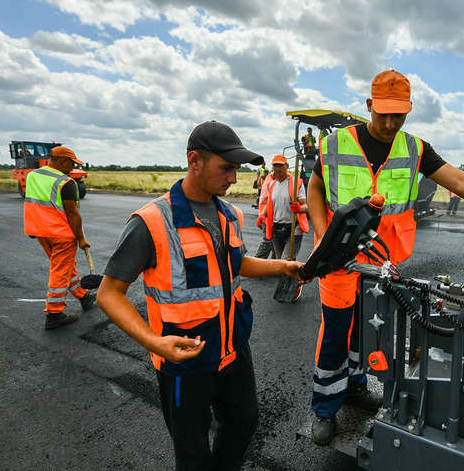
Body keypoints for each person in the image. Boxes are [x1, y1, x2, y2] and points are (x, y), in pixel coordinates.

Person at [305, 70, 464, 445]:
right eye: (383, 114)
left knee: (368, 330)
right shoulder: (335, 144)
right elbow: (316, 185)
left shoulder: (415, 149)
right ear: (369, 105)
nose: (390, 123)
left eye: (398, 115)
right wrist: (323, 236)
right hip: (340, 261)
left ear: (409, 110)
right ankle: (325, 408)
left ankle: (354, 385)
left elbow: (461, 182)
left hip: (382, 264)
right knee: (336, 334)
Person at [96, 121, 306, 471]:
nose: (234, 179)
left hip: (232, 349)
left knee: (243, 423)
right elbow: (109, 294)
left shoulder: (229, 214)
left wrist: (283, 266)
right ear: (195, 160)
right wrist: (154, 343)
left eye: (236, 169)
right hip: (183, 360)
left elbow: (236, 263)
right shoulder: (151, 221)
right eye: (227, 168)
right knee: (192, 451)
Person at [23, 146, 96, 330]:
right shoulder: (66, 183)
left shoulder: (32, 176)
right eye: (72, 164)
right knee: (60, 271)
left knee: (65, 266)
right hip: (61, 234)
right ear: (63, 161)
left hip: (41, 231)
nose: (73, 168)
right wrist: (81, 239)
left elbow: (33, 203)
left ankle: (84, 296)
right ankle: (54, 314)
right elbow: (73, 214)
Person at [257, 154, 309, 301]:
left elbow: (306, 206)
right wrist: (262, 216)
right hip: (276, 227)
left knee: (286, 260)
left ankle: (296, 284)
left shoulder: (296, 183)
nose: (278, 168)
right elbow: (269, 204)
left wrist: (299, 207)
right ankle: (290, 285)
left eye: (281, 165)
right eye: (275, 165)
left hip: (293, 227)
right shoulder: (272, 184)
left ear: (286, 166)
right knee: (282, 262)